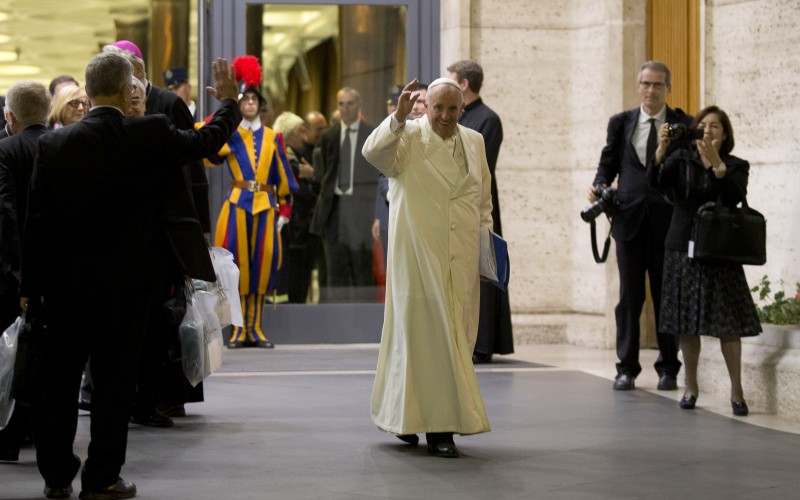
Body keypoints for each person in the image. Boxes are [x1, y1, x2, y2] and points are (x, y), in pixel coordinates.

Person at [19, 52, 241, 500]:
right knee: (114, 385)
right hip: (127, 286)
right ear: (127, 91)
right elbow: (206, 141)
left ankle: (57, 476)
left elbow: (36, 221)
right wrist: (231, 103)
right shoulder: (150, 133)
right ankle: (102, 478)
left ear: (88, 90)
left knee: (59, 383)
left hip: (65, 288)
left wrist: (31, 289)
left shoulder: (54, 145)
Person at [362, 78, 493, 458]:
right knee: (425, 339)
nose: (445, 116)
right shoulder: (407, 138)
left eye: (453, 109)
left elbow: (482, 200)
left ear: (462, 109)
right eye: (438, 108)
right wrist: (398, 117)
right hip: (419, 253)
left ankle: (408, 417)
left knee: (458, 337)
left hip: (462, 255)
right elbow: (373, 153)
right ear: (426, 107)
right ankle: (441, 428)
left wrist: (485, 251)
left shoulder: (475, 141)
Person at [106, 41, 214, 422]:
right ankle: (141, 397)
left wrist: (201, 227)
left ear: (137, 68)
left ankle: (167, 395)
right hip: (133, 236)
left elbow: (196, 165)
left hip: (169, 229)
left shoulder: (168, 104)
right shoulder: (112, 108)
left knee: (169, 317)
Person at [650, 105, 761, 415]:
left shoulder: (737, 165)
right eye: (704, 125)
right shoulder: (680, 159)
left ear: (725, 135)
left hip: (719, 251)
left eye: (716, 126)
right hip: (681, 247)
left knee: (727, 325)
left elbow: (735, 196)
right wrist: (661, 149)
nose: (709, 131)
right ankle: (690, 386)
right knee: (687, 325)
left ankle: (736, 392)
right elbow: (655, 182)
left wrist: (718, 167)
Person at [589, 60, 690, 391]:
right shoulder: (621, 123)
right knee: (629, 299)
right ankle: (627, 368)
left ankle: (668, 368)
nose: (651, 90)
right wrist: (599, 184)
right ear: (638, 87)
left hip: (668, 224)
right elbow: (608, 164)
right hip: (628, 220)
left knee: (666, 297)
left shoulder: (682, 124)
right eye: (645, 84)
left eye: (658, 85)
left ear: (668, 89)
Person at [204, 55, 298, 348]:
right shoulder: (230, 133)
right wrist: (222, 111)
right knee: (237, 268)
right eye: (245, 99)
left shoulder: (273, 137)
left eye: (254, 99)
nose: (250, 104)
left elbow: (284, 176)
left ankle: (255, 328)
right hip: (237, 206)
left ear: (260, 104)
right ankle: (238, 330)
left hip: (265, 206)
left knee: (263, 266)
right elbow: (207, 149)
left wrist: (284, 209)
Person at [448, 60, 513, 364]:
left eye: (451, 80)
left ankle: (483, 342)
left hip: (478, 200)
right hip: (454, 202)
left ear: (463, 85)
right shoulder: (456, 117)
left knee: (482, 266)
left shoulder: (488, 119)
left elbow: (479, 163)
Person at [0, 81, 50, 463]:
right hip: (60, 273)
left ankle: (9, 439)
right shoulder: (66, 145)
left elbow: (7, 211)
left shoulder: (5, 150)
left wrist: (17, 269)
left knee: (12, 355)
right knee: (53, 359)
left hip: (14, 274)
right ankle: (43, 434)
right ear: (48, 112)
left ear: (10, 117)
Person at [311, 87, 377, 300]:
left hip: (360, 208)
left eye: (350, 103)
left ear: (358, 105)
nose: (345, 108)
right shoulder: (329, 136)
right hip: (335, 208)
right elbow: (326, 174)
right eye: (341, 104)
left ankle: (364, 321)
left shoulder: (371, 134)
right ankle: (337, 322)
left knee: (361, 266)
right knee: (335, 268)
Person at [272, 111, 319, 304]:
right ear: (291, 133)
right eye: (301, 131)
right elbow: (299, 191)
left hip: (295, 231)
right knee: (295, 285)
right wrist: (311, 179)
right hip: (294, 232)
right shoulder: (288, 160)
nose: (304, 135)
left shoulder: (298, 156)